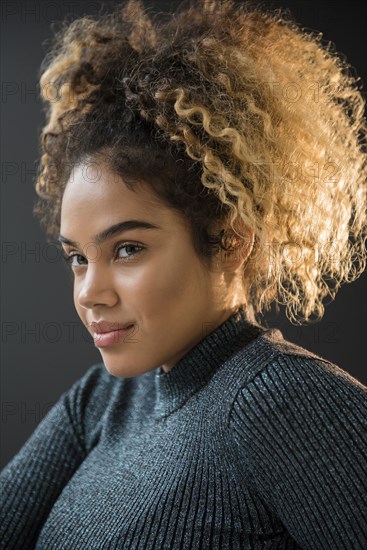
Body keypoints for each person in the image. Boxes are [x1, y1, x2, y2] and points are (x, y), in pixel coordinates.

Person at [1, 0, 366, 548]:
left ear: (232, 239)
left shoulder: (284, 402)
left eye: (126, 249)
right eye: (78, 257)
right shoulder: (105, 397)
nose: (89, 294)